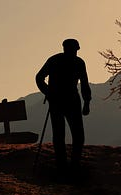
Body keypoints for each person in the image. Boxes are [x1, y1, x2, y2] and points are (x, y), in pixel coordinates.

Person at [35, 39, 91, 172]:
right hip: (68, 100)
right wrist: (87, 102)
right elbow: (84, 84)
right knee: (74, 134)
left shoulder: (55, 60)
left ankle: (64, 165)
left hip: (58, 100)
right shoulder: (78, 62)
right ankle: (72, 165)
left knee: (62, 134)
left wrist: (48, 91)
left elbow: (39, 78)